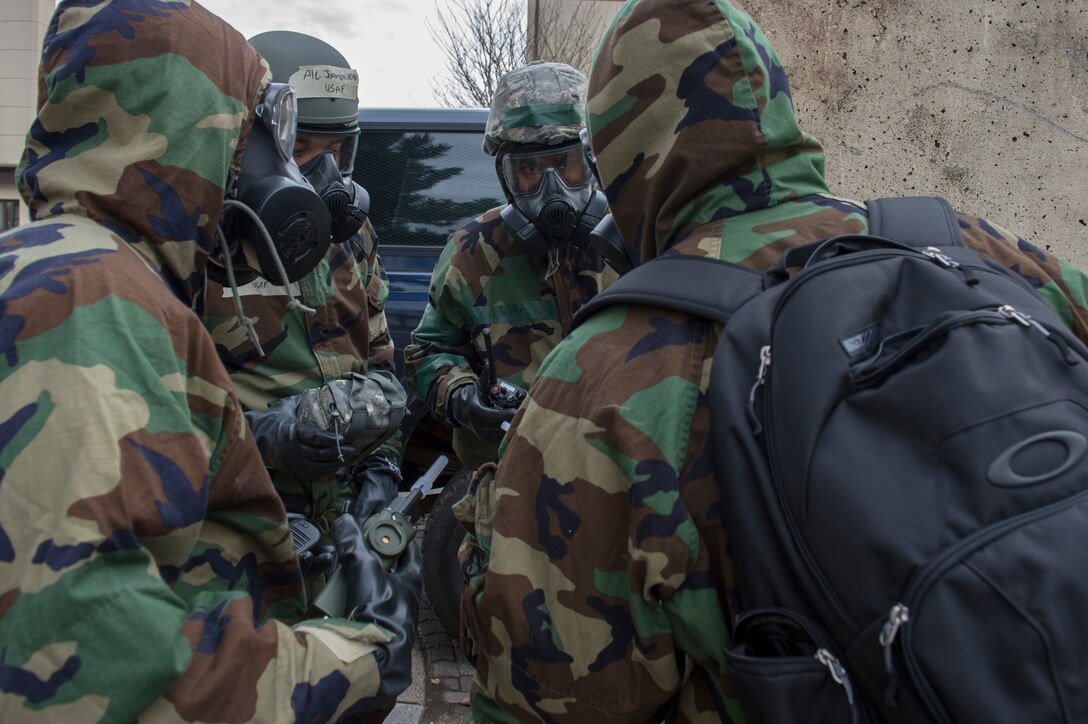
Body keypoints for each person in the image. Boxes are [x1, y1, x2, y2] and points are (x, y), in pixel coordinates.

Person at [454, 0, 1088, 721]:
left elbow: (542, 701)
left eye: (570, 163)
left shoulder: (597, 377)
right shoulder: (979, 248)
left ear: (620, 153)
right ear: (777, 106)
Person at [0, 2, 419, 721]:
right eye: (286, 146)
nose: (312, 176)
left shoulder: (119, 273)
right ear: (206, 130)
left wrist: (373, 469)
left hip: (273, 583)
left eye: (335, 153)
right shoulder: (89, 289)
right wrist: (356, 665)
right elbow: (89, 666)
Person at [199, 29, 404, 589]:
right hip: (238, 536)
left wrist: (381, 467)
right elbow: (155, 415)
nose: (327, 175)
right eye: (305, 149)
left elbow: (381, 368)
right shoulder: (201, 247)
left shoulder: (355, 238)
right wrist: (264, 435)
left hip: (338, 536)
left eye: (339, 151)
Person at [403, 60, 616, 472]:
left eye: (566, 164)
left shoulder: (634, 238)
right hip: (509, 477)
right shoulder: (472, 251)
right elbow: (427, 351)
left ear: (592, 162)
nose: (551, 188)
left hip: (613, 475)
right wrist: (462, 399)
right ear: (507, 177)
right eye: (530, 169)